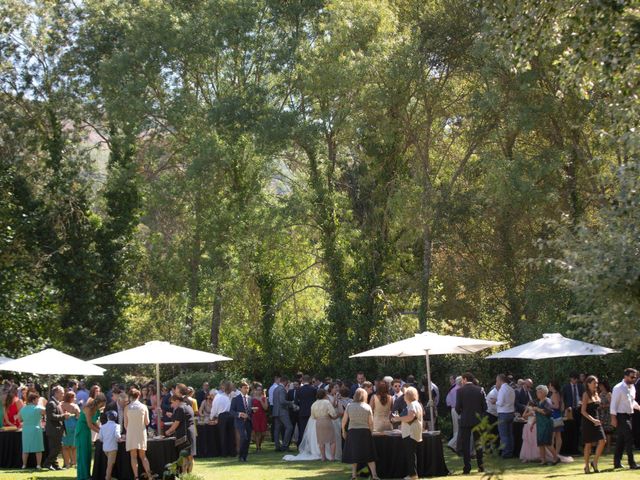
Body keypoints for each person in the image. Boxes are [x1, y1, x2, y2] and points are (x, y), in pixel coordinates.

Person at [341, 388, 379, 480]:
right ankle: (374, 475)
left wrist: (343, 431)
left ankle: (354, 475)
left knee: (354, 455)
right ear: (364, 396)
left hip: (352, 432)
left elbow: (344, 421)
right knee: (369, 455)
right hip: (365, 432)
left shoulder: (349, 406)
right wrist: (371, 432)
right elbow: (371, 423)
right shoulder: (367, 407)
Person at [610, 367, 640, 470]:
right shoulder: (618, 388)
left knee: (621, 440)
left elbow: (632, 402)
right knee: (629, 438)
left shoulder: (632, 387)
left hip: (628, 415)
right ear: (625, 376)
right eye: (632, 377)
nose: (634, 379)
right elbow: (613, 404)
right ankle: (632, 463)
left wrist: (639, 408)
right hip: (620, 415)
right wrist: (613, 418)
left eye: (635, 377)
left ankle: (616, 462)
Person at [455, 373, 485, 475]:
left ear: (464, 379)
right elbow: (485, 407)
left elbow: (457, 407)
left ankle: (467, 468)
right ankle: (481, 466)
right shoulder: (480, 389)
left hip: (465, 420)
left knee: (466, 445)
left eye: (462, 380)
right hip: (477, 420)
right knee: (478, 444)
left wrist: (462, 413)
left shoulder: (460, 391)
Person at [75, 393, 106, 480]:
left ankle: (87, 475)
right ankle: (83, 476)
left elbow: (94, 422)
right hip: (82, 430)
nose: (103, 406)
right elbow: (89, 424)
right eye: (102, 404)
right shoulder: (88, 408)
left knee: (88, 453)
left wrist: (102, 430)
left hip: (87, 431)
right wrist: (101, 433)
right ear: (98, 402)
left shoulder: (96, 409)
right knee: (83, 453)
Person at [124, 388, 153, 479]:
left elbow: (125, 424)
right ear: (139, 396)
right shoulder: (144, 407)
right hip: (141, 432)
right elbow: (147, 422)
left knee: (133, 456)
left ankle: (136, 477)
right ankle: (149, 476)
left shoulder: (127, 408)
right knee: (143, 456)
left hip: (131, 433)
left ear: (130, 396)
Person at [580, 375, 606, 474]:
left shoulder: (596, 393)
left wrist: (598, 419)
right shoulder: (586, 394)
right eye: (594, 383)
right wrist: (593, 420)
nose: (596, 385)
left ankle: (594, 462)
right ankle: (586, 466)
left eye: (597, 383)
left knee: (603, 441)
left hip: (596, 420)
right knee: (588, 444)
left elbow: (597, 407)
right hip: (588, 421)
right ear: (588, 384)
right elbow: (583, 411)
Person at [43, 385, 70, 471]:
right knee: (56, 448)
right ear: (56, 393)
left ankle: (55, 465)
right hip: (53, 430)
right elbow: (51, 416)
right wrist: (63, 416)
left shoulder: (56, 403)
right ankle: (47, 463)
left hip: (56, 430)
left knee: (56, 448)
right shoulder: (51, 403)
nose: (63, 395)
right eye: (62, 393)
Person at [533, 385, 559, 465]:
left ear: (544, 393)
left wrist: (537, 409)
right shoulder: (538, 402)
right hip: (540, 425)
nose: (537, 393)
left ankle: (556, 458)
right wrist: (533, 423)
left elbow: (548, 412)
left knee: (547, 443)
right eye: (537, 392)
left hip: (547, 424)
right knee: (541, 443)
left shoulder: (547, 401)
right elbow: (537, 415)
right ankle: (543, 460)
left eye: (539, 392)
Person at [19, 392, 46, 470]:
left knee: (25, 448)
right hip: (36, 428)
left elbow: (19, 418)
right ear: (34, 400)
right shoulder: (38, 408)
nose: (38, 401)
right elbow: (45, 411)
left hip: (26, 429)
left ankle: (24, 465)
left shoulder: (23, 408)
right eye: (37, 399)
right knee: (38, 448)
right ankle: (38, 465)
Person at [311, 388, 338, 461]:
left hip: (318, 422)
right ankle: (332, 457)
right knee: (332, 440)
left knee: (321, 441)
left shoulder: (314, 404)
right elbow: (333, 413)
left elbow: (313, 416)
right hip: (327, 421)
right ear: (324, 395)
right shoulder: (327, 402)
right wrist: (336, 416)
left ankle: (323, 457)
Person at [230, 381, 253, 462]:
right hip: (240, 422)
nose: (246, 389)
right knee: (244, 437)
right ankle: (240, 456)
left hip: (248, 422)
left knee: (248, 439)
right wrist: (240, 414)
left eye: (248, 388)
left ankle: (245, 456)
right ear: (240, 389)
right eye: (245, 388)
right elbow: (231, 411)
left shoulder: (250, 398)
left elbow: (250, 410)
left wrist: (253, 411)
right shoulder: (236, 399)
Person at [562, 372, 584, 455]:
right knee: (569, 430)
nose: (575, 381)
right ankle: (569, 448)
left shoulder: (580, 386)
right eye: (574, 379)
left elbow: (583, 396)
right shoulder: (566, 387)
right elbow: (563, 399)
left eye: (576, 379)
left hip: (578, 410)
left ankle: (576, 448)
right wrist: (566, 408)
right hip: (569, 411)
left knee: (577, 430)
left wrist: (581, 403)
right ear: (570, 379)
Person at [495, 374, 516, 458]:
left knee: (504, 435)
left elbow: (500, 403)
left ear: (500, 380)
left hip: (503, 413)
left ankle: (506, 453)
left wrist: (495, 401)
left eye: (497, 381)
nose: (496, 382)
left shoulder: (502, 390)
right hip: (511, 412)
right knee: (510, 434)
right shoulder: (511, 389)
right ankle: (511, 451)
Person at [272, 376, 295, 452]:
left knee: (277, 430)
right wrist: (290, 403)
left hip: (276, 411)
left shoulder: (275, 389)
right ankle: (284, 446)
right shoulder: (282, 389)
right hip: (282, 412)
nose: (287, 384)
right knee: (289, 427)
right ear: (284, 382)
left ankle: (277, 446)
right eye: (287, 382)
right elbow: (282, 401)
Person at [99, 410, 122, 480]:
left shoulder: (103, 426)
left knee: (110, 463)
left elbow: (100, 438)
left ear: (108, 417)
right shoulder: (117, 426)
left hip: (105, 448)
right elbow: (117, 436)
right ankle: (107, 477)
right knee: (110, 464)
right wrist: (121, 438)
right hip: (113, 448)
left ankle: (109, 477)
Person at [61, 390, 81, 468]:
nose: (75, 398)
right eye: (74, 397)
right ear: (71, 398)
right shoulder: (75, 406)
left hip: (64, 425)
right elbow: (79, 416)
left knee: (65, 446)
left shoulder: (61, 404)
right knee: (74, 446)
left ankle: (67, 463)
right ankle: (74, 462)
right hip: (73, 425)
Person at [296, 375, 317, 446]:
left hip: (302, 412)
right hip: (312, 412)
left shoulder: (299, 389)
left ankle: (303, 445)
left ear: (302, 380)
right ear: (310, 380)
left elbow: (296, 401)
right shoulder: (313, 389)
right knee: (311, 430)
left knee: (302, 430)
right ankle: (311, 445)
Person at [548, 381, 564, 457]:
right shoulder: (559, 394)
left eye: (549, 385)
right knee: (558, 435)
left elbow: (557, 406)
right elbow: (561, 407)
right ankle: (556, 453)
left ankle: (554, 454)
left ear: (552, 386)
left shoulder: (554, 394)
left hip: (554, 416)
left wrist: (548, 406)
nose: (548, 387)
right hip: (558, 416)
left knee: (553, 436)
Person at [446, 376, 461, 452]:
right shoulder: (459, 390)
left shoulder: (452, 389)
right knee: (459, 428)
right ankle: (452, 444)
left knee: (455, 428)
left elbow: (447, 401)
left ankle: (456, 445)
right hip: (458, 410)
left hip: (453, 409)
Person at [251, 383, 268, 451]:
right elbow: (250, 407)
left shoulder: (264, 398)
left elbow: (266, 408)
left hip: (262, 416)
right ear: (255, 390)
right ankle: (258, 448)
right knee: (257, 432)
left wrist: (261, 400)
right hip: (255, 416)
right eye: (258, 390)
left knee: (263, 433)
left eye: (260, 390)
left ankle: (259, 444)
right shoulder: (252, 399)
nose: (259, 391)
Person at [597, 380, 613, 452]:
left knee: (608, 431)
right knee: (602, 430)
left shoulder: (608, 394)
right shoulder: (600, 394)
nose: (600, 387)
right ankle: (603, 446)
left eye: (601, 386)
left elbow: (612, 404)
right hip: (602, 414)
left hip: (607, 414)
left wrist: (604, 406)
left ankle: (608, 447)